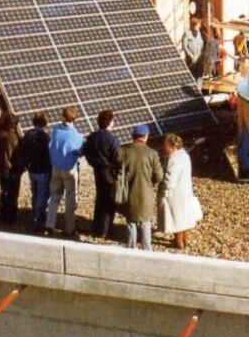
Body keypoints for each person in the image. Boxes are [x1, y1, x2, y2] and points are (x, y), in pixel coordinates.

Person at [118, 124, 163, 251]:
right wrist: (151, 183)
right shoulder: (152, 153)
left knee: (131, 222)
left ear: (133, 136)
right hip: (146, 193)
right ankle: (147, 250)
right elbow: (159, 175)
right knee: (145, 222)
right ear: (146, 137)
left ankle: (131, 248)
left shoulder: (124, 152)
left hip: (128, 192)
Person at [46, 106, 84, 238]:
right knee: (70, 198)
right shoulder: (77, 136)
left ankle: (49, 225)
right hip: (69, 169)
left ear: (63, 117)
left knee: (54, 197)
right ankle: (69, 228)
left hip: (55, 168)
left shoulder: (55, 130)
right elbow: (80, 152)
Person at [82, 109, 120, 239]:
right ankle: (106, 230)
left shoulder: (92, 137)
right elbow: (117, 157)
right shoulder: (113, 139)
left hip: (97, 171)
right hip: (109, 172)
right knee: (109, 201)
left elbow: (86, 153)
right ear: (110, 123)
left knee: (99, 199)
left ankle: (97, 228)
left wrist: (93, 164)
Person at [159, 134, 202, 249]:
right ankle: (185, 240)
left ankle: (178, 243)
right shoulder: (185, 155)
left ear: (171, 146)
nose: (164, 148)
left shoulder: (173, 159)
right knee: (184, 218)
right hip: (185, 190)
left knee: (176, 219)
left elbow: (170, 179)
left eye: (165, 145)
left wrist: (163, 186)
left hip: (175, 194)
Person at [19, 112, 51, 232]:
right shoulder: (45, 137)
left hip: (31, 170)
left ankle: (34, 215)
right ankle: (38, 221)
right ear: (45, 123)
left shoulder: (27, 135)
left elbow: (22, 151)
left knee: (35, 193)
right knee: (42, 196)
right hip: (42, 171)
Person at [0, 113, 22, 224]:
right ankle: (11, 216)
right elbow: (16, 156)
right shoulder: (15, 138)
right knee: (13, 193)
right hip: (12, 170)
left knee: (4, 191)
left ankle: (3, 214)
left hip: (2, 168)